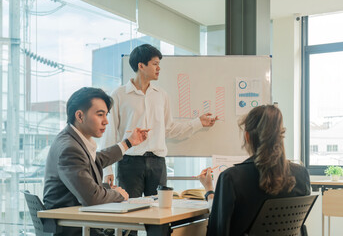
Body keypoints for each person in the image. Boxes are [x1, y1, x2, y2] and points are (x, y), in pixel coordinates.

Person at [101, 44, 218, 198]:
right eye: (155, 64)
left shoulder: (161, 95)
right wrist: (107, 170)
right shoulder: (119, 95)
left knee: (159, 210)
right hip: (129, 162)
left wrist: (198, 122)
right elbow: (110, 134)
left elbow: (168, 129)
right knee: (130, 209)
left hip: (158, 162)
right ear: (141, 66)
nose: (159, 68)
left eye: (159, 64)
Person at [43, 87, 149, 236]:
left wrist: (128, 143)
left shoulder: (73, 140)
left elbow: (96, 159)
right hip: (72, 228)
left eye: (106, 115)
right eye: (100, 115)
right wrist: (117, 193)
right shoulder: (70, 148)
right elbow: (92, 198)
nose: (106, 121)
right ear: (80, 116)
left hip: (79, 222)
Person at [199, 105, 311, 236]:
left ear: (247, 136)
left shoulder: (231, 178)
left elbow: (217, 231)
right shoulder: (301, 174)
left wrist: (209, 192)